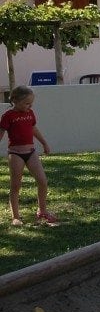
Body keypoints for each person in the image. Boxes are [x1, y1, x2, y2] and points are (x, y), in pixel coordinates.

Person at [1, 86, 56, 226]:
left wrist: (44, 143)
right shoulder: (8, 116)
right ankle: (16, 217)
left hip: (31, 152)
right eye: (27, 103)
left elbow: (33, 129)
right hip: (15, 154)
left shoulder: (30, 113)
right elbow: (1, 133)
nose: (30, 106)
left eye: (31, 103)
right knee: (16, 185)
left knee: (42, 181)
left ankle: (42, 211)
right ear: (15, 100)